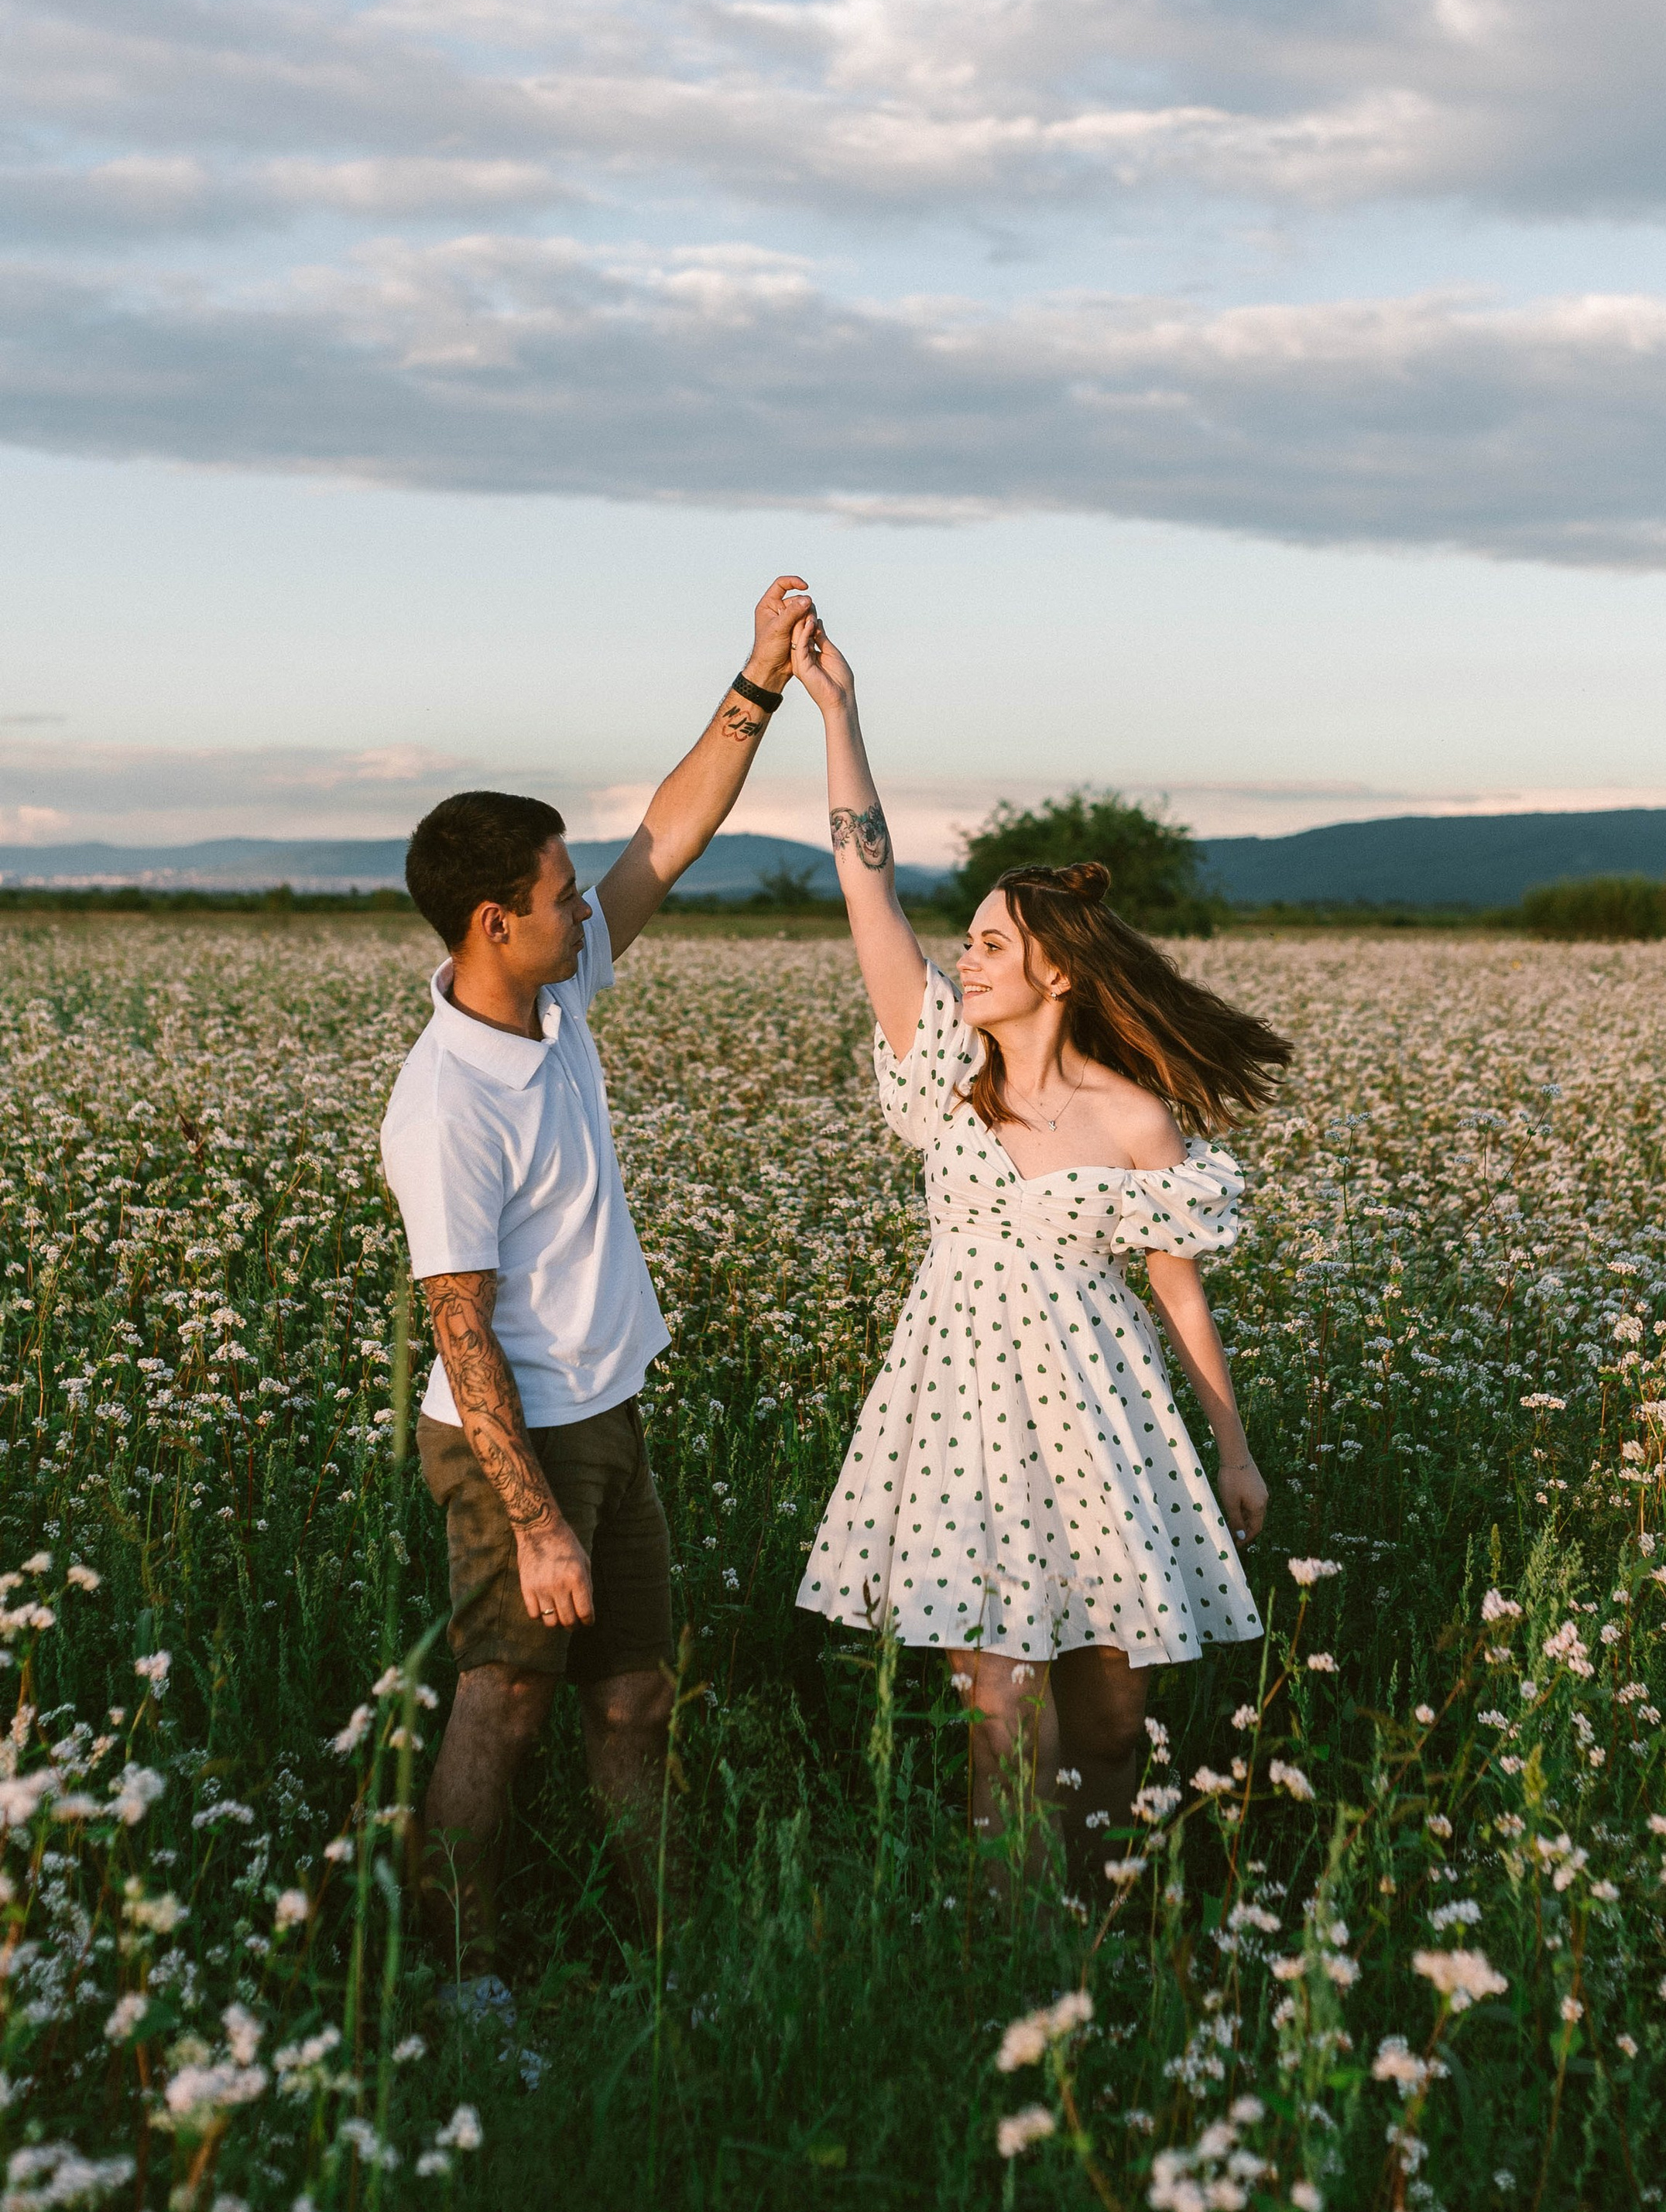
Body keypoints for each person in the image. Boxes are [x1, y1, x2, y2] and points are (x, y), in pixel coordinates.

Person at [786, 614, 1288, 1888]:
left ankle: (1102, 1926)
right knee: (1003, 1710)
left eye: (995, 945)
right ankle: (1008, 1965)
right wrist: (839, 717)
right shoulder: (940, 1071)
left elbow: (1178, 1287)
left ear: (1058, 973)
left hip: (1102, 1418)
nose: (969, 956)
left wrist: (1232, 1445)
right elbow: (867, 884)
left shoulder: (1133, 1120)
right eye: (974, 941)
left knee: (1113, 1715)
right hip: (960, 1412)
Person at [379, 574, 813, 1972]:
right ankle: (460, 1986)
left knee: (633, 1703)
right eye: (561, 896)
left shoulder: (556, 997)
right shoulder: (447, 1102)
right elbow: (460, 1334)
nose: (586, 909)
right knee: (503, 1703)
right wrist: (540, 1525)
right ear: (495, 921)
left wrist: (757, 681)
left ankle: (671, 1961)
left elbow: (668, 841)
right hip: (518, 1447)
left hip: (603, 1415)